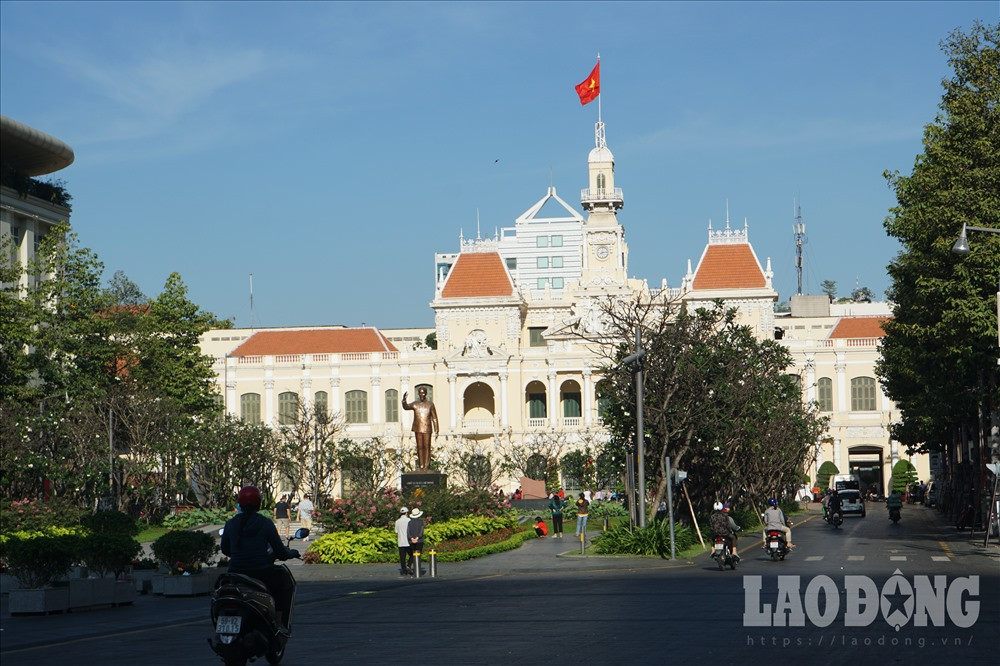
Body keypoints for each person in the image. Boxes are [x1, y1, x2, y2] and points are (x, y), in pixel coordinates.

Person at [221, 486, 299, 630]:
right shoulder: (265, 523)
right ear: (259, 504)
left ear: (240, 504)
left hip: (235, 572)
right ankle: (278, 621)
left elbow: (225, 549)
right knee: (283, 585)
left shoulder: (230, 524)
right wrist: (292, 553)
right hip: (260, 571)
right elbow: (280, 551)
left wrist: (239, 554)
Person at [401, 388, 439, 469]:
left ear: (426, 393)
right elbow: (406, 407)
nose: (422, 395)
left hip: (427, 428)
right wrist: (404, 400)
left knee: (427, 446)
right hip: (417, 428)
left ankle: (426, 465)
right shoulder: (415, 404)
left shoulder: (430, 404)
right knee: (420, 447)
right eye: (420, 393)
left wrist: (436, 429)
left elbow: (434, 418)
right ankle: (421, 465)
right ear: (418, 394)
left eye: (423, 393)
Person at [406, 508, 425, 575]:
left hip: (411, 541)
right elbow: (421, 532)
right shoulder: (421, 522)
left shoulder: (409, 522)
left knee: (413, 554)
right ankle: (417, 569)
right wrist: (417, 538)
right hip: (419, 541)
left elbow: (408, 532)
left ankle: (409, 564)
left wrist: (412, 538)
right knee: (418, 555)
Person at [394, 507, 411, 576]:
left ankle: (404, 571)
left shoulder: (397, 521)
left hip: (400, 542)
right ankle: (409, 565)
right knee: (412, 555)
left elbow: (396, 531)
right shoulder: (409, 520)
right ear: (406, 513)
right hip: (408, 541)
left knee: (402, 558)